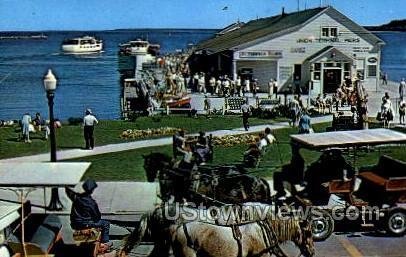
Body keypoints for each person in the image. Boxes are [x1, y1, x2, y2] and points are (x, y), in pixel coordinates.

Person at [65, 179, 112, 251]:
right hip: (85, 224)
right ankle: (104, 243)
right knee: (105, 224)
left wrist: (65, 185)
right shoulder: (92, 203)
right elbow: (97, 218)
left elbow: (68, 191)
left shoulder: (76, 197)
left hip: (74, 224)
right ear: (92, 190)